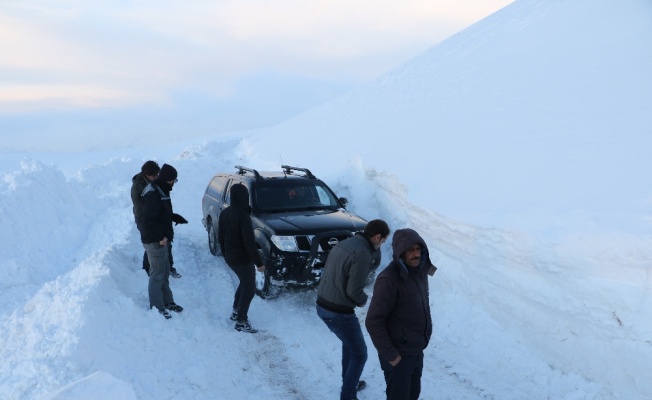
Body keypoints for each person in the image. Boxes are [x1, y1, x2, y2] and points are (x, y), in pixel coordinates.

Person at [316, 219, 390, 400]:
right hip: (338, 311)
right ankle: (348, 395)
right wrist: (363, 300)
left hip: (322, 304)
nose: (381, 245)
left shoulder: (345, 243)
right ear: (377, 236)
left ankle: (350, 381)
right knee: (359, 353)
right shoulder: (363, 253)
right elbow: (354, 291)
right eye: (383, 241)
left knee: (349, 345)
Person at [365, 228, 437, 400]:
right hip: (399, 355)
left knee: (413, 395)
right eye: (410, 250)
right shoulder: (389, 280)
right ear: (400, 253)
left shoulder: (419, 273)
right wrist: (392, 356)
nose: (415, 254)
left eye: (418, 249)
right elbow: (373, 321)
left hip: (416, 350)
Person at [218, 183, 265, 333]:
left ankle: (235, 311)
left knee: (244, 283)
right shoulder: (243, 216)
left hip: (231, 257)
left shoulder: (225, 213)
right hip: (242, 259)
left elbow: (220, 237)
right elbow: (249, 243)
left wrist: (226, 255)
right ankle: (241, 321)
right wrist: (259, 262)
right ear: (245, 197)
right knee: (249, 288)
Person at [139, 163, 184, 319]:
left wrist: (172, 218)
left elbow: (161, 214)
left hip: (161, 240)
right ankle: (157, 307)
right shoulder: (154, 194)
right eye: (173, 180)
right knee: (157, 273)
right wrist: (161, 237)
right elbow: (147, 221)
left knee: (164, 271)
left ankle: (167, 301)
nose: (173, 183)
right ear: (168, 179)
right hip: (155, 241)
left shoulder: (160, 190)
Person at [131, 161, 186, 278]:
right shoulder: (140, 187)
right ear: (147, 175)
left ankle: (168, 267)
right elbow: (145, 210)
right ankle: (148, 269)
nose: (157, 177)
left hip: (153, 218)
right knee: (151, 244)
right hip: (144, 219)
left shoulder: (156, 186)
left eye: (158, 175)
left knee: (165, 243)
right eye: (155, 176)